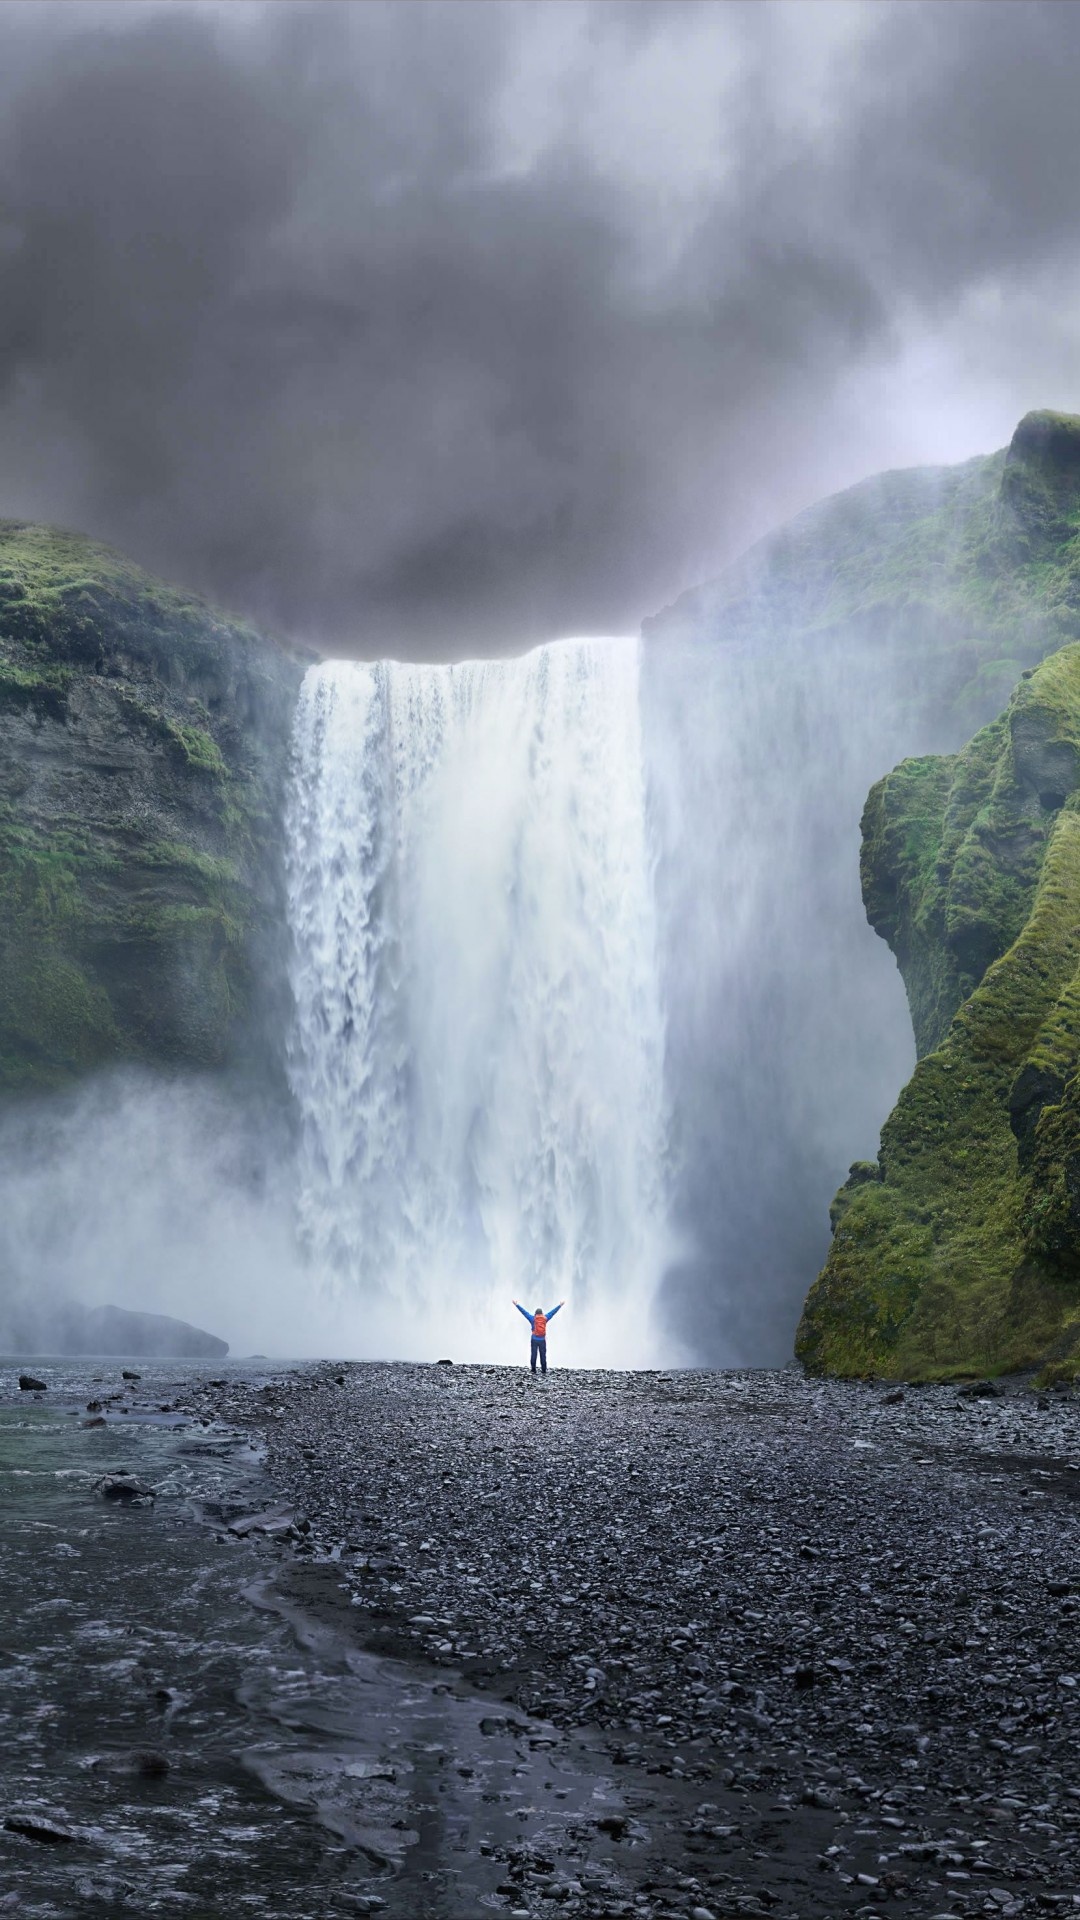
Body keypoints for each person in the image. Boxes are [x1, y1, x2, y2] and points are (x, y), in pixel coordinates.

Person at [513, 1298, 564, 1374]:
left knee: (534, 1354)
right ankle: (544, 1370)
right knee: (543, 1355)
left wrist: (516, 1305)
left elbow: (524, 1312)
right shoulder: (545, 1318)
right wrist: (560, 1305)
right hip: (542, 1339)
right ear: (542, 1313)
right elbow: (553, 1312)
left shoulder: (532, 1319)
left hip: (534, 1339)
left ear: (535, 1313)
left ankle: (533, 1370)